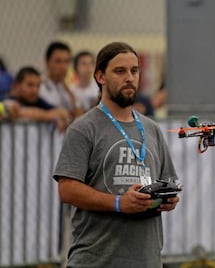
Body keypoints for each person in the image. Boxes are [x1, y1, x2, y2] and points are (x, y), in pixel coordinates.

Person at [53, 42, 179, 268]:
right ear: (100, 76)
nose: (129, 77)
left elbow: (168, 181)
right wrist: (119, 202)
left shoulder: (152, 130)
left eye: (134, 70)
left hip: (146, 261)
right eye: (120, 71)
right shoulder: (83, 128)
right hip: (96, 260)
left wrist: (167, 199)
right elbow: (67, 189)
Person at [9, 66, 70, 131]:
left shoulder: (38, 101)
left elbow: (63, 112)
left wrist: (55, 117)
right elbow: (19, 112)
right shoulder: (8, 100)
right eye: (30, 85)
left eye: (38, 86)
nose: (35, 90)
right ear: (16, 85)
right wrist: (52, 116)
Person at [39, 41, 83, 118]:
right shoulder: (39, 86)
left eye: (66, 61)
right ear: (47, 61)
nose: (63, 67)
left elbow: (78, 114)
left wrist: (71, 94)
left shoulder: (68, 89)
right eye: (58, 61)